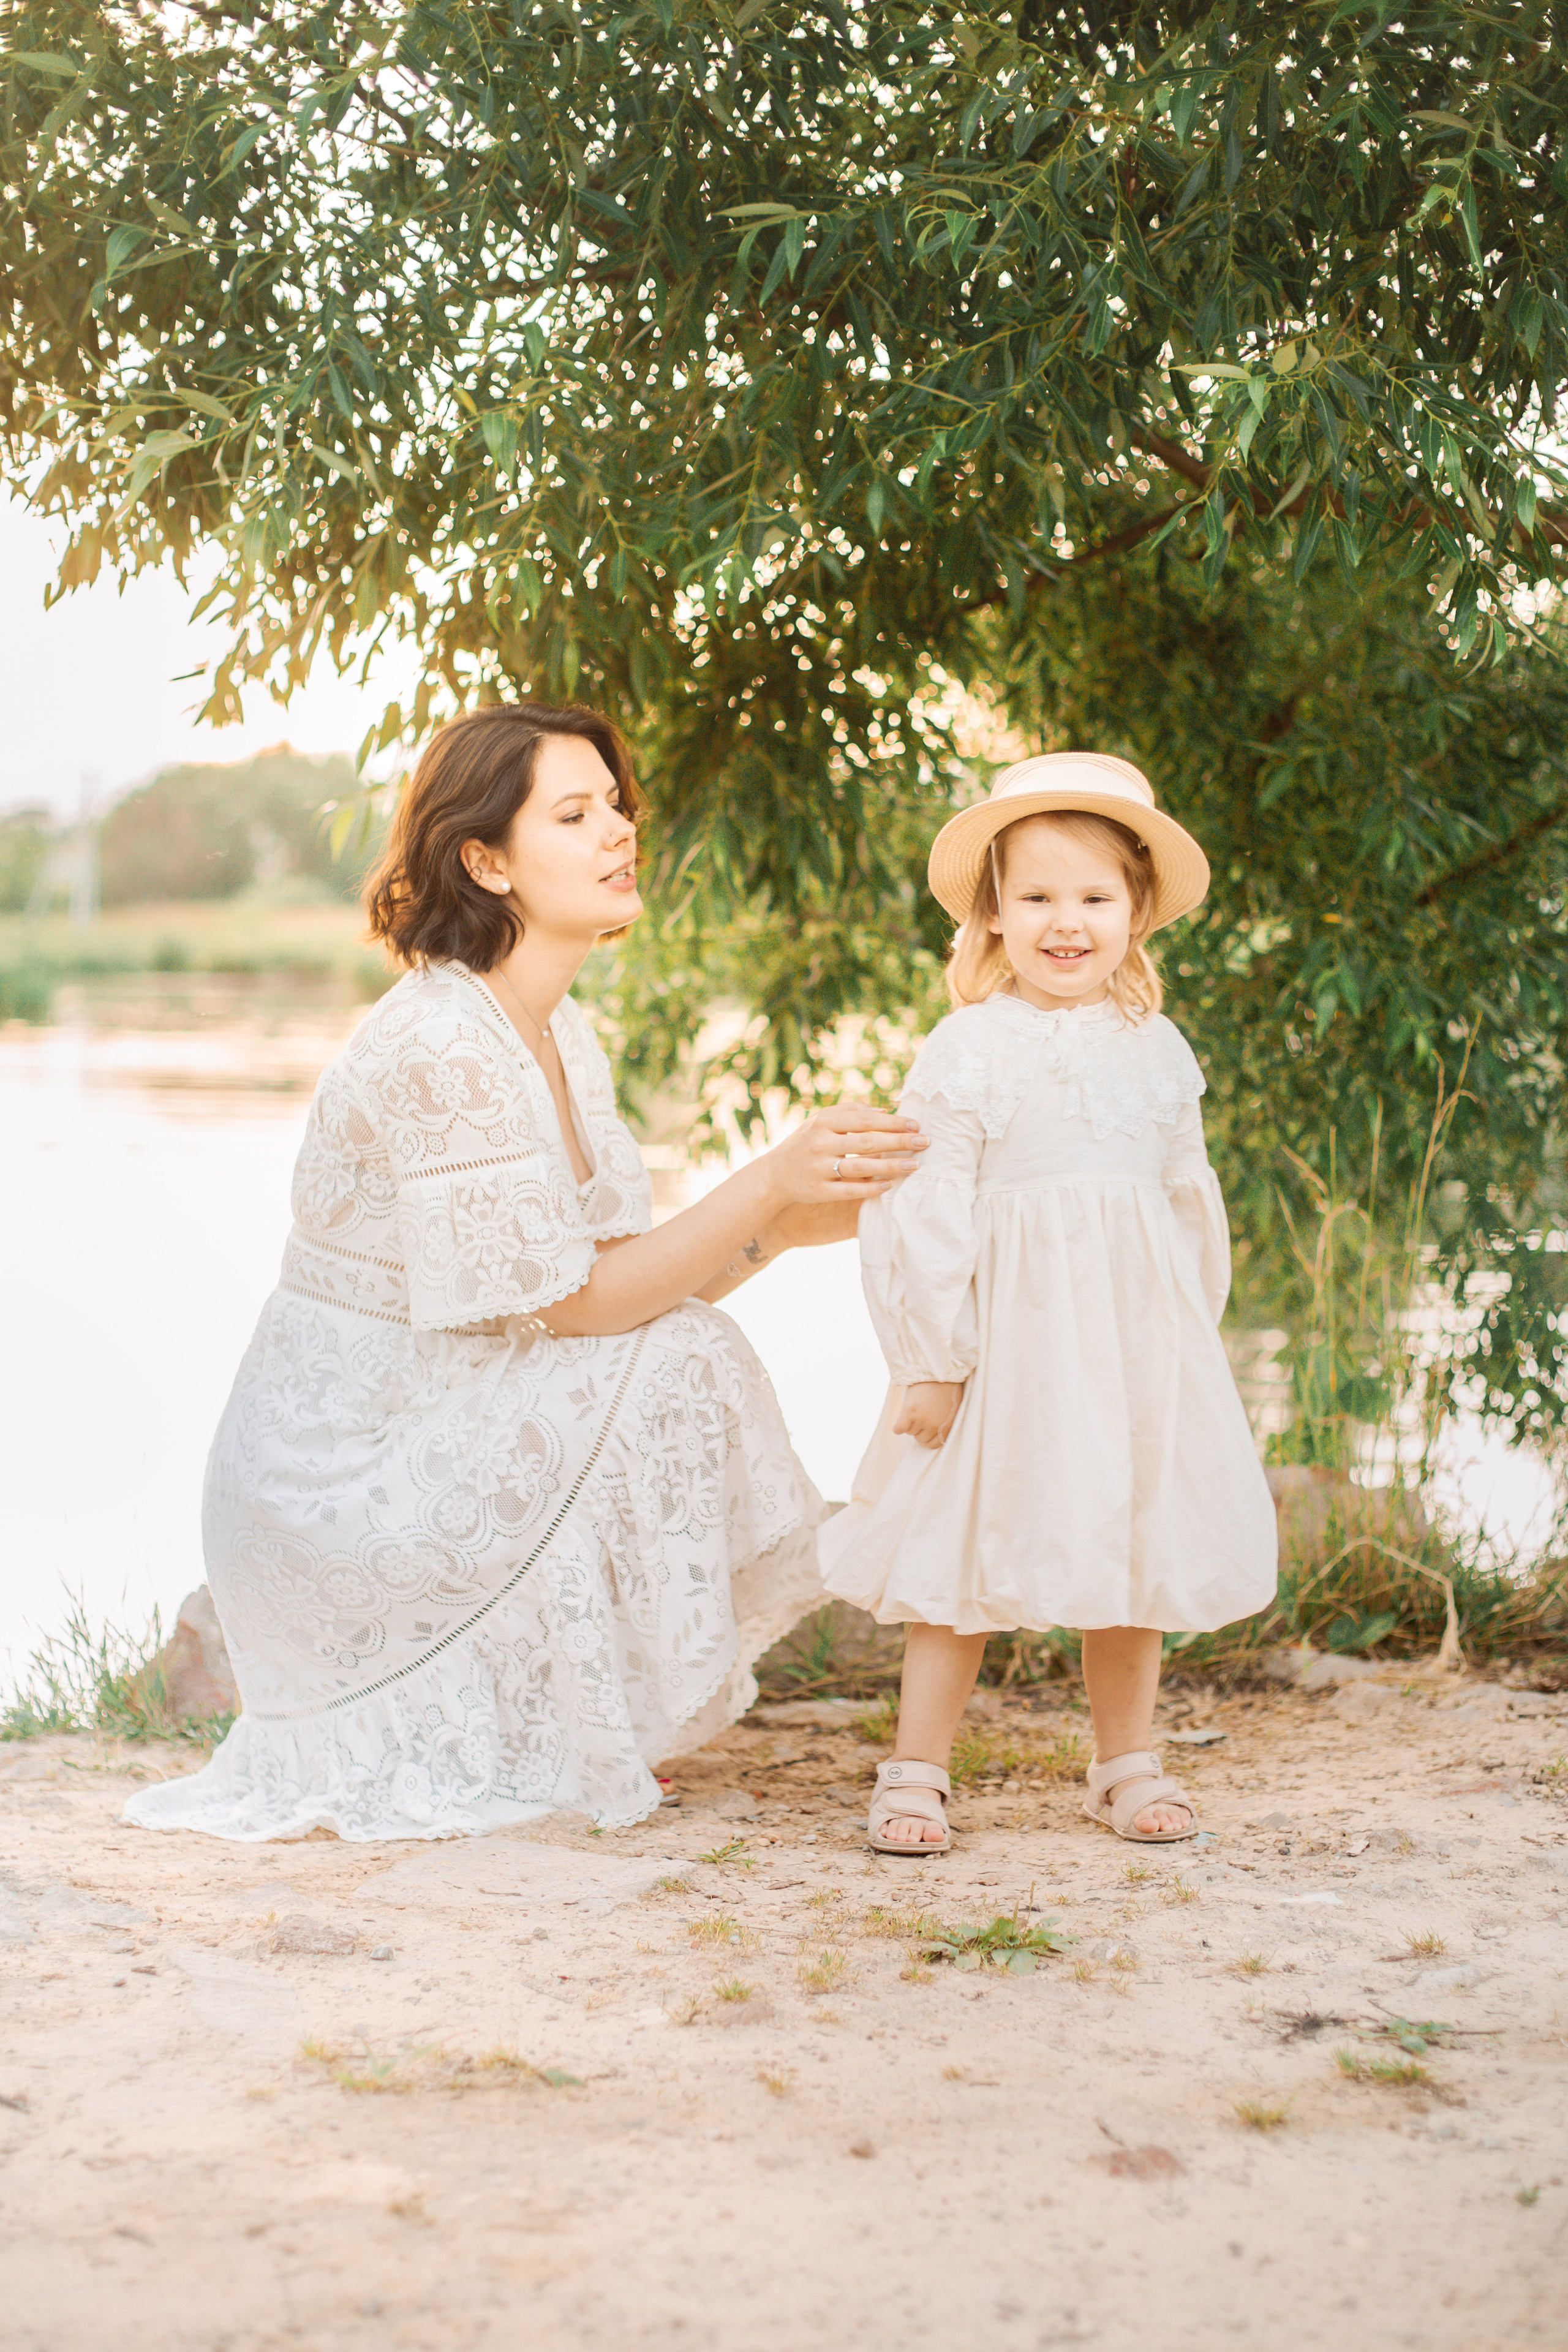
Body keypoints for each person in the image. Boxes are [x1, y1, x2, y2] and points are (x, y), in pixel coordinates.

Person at [124, 701, 924, 1843]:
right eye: (576, 812)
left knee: (678, 1350)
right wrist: (765, 1180)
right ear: (485, 859)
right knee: (681, 1360)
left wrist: (800, 1219)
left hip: (437, 1420)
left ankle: (562, 1716)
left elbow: (615, 1286)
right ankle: (547, 1712)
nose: (619, 832)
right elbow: (578, 1310)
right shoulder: (445, 1041)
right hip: (332, 1484)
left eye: (617, 806)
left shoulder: (557, 1031)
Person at [819, 753, 1278, 1850]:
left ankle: (1125, 1763)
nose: (1065, 922)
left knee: (1133, 1549)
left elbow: (1184, 1199)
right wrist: (932, 1357)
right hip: (1005, 1346)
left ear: (1136, 911)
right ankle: (917, 1769)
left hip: (1132, 1344)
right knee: (960, 1556)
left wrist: (1188, 1334)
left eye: (1092, 898)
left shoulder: (1160, 1049)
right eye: (1036, 897)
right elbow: (928, 1204)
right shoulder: (972, 1046)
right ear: (993, 912)